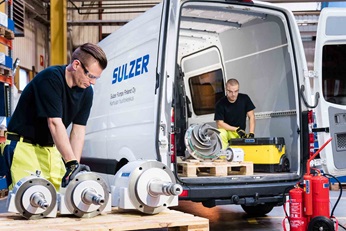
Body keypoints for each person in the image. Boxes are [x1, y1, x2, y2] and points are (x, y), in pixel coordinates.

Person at [0, 43, 108, 191]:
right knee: (29, 202)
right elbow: (54, 123)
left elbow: (78, 130)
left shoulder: (86, 91)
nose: (93, 82)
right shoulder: (50, 78)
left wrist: (74, 167)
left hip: (52, 151)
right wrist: (70, 162)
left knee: (63, 201)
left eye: (96, 78)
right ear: (76, 64)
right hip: (24, 148)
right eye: (91, 76)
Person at [214, 78, 255, 149]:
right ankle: (223, 155)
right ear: (226, 89)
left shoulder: (245, 99)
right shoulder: (220, 104)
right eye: (230, 92)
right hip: (228, 131)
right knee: (221, 133)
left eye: (236, 91)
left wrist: (251, 133)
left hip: (240, 133)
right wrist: (236, 129)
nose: (233, 94)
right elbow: (220, 124)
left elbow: (251, 116)